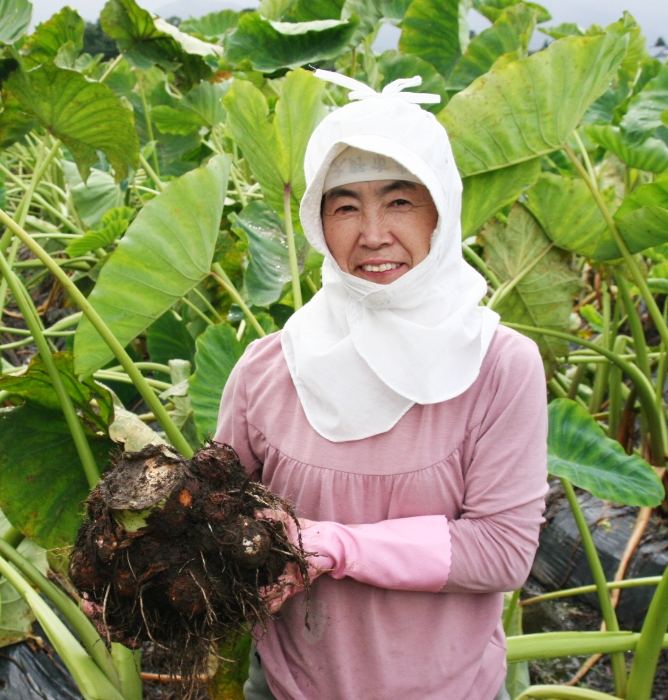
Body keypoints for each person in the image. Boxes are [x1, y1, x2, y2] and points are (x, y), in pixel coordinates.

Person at [214, 73, 549, 700]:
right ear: (317, 222)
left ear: (442, 210)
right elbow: (219, 519)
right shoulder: (268, 368)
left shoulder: (500, 366)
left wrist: (329, 546)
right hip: (287, 690)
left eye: (399, 201)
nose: (372, 234)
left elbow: (502, 552)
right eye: (345, 206)